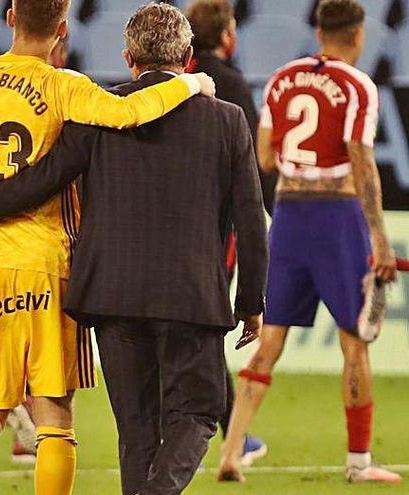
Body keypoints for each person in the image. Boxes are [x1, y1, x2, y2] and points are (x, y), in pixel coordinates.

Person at [0, 5, 268, 494]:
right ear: (189, 58)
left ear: (129, 59)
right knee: (198, 413)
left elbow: (46, 178)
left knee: (136, 429)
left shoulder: (97, 112)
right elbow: (251, 221)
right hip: (191, 296)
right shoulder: (227, 121)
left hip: (111, 295)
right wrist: (250, 302)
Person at [218, 0, 402, 484]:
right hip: (337, 219)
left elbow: (263, 156)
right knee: (354, 342)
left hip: (290, 218)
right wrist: (379, 240)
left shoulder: (282, 78)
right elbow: (362, 163)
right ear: (358, 36)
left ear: (318, 30)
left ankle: (231, 452)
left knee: (269, 342)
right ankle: (359, 462)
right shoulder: (357, 85)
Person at [185, 0, 269, 468]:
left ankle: (229, 428)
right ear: (227, 35)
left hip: (163, 225)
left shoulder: (172, 80)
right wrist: (270, 213)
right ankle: (230, 429)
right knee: (206, 326)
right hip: (217, 228)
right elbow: (253, 166)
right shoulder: (231, 84)